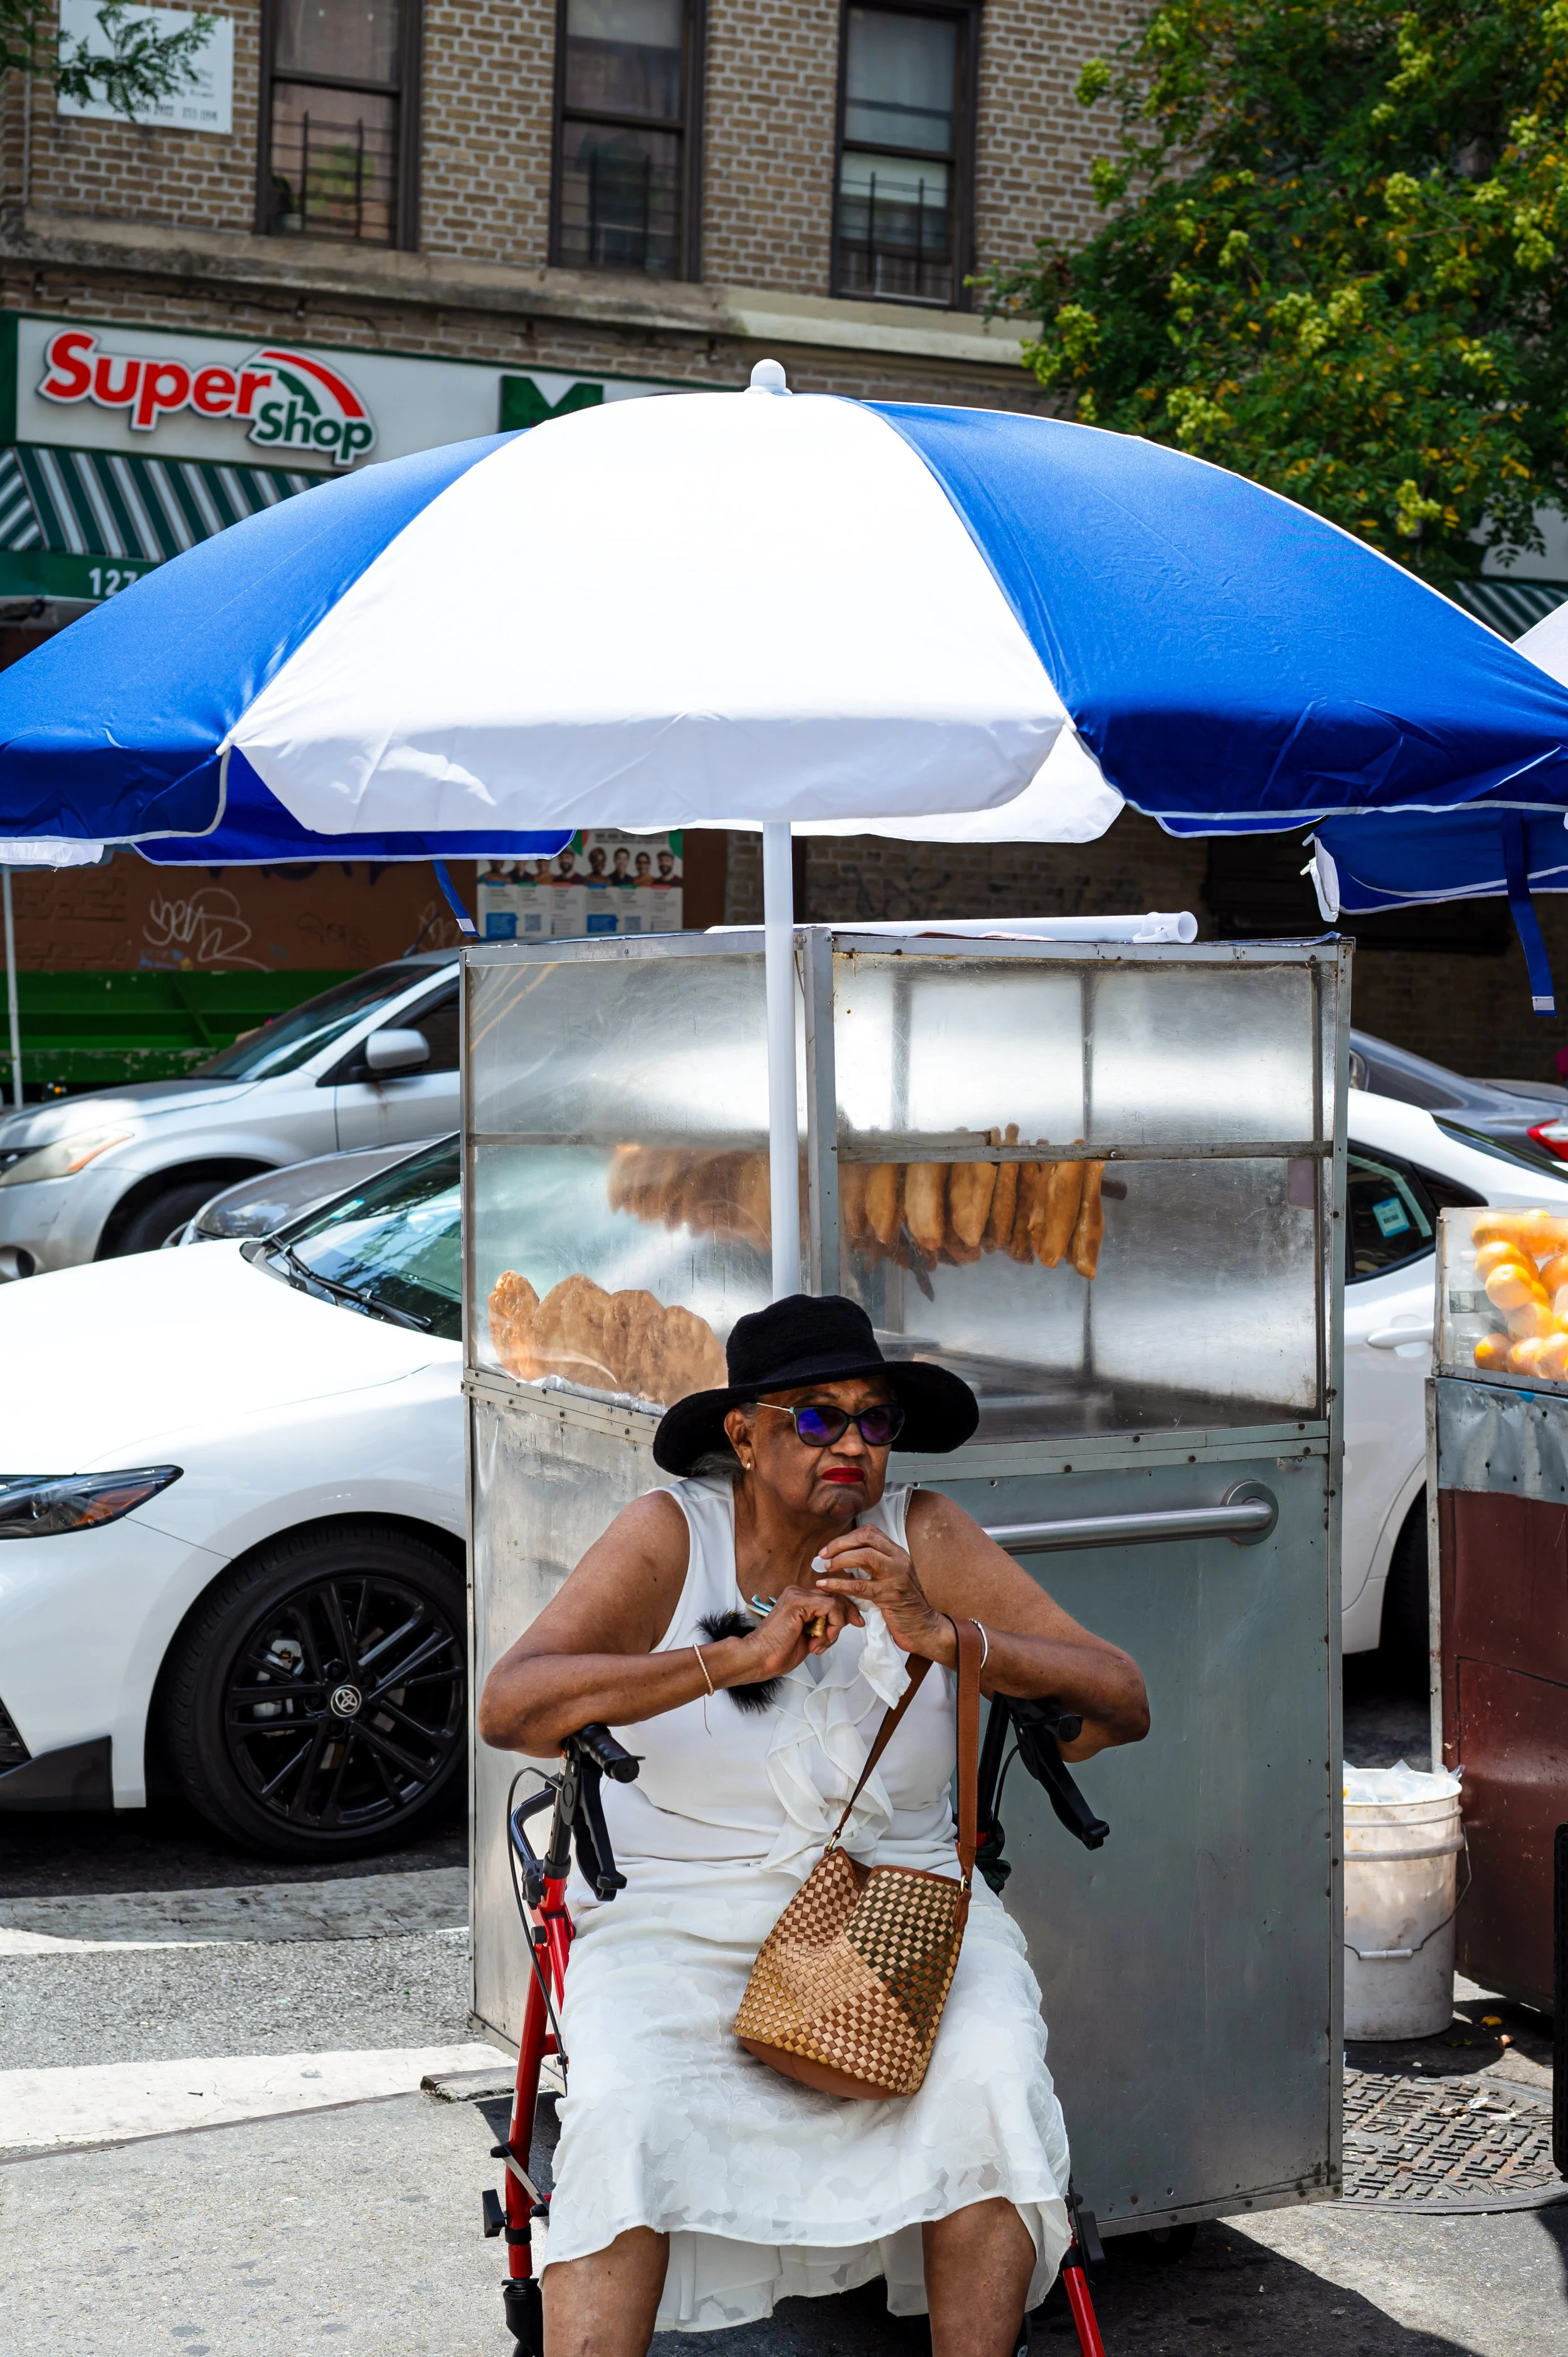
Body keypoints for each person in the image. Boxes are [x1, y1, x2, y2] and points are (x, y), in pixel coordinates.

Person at [480, 1294, 1148, 2357]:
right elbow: (512, 1708)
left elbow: (1120, 1697)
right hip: (679, 1915)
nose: (851, 1442)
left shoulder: (923, 1535)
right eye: (816, 1417)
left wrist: (946, 1632)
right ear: (742, 1437)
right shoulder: (673, 1533)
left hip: (900, 1912)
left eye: (874, 1420)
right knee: (632, 2113)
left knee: (991, 2079)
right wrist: (736, 1659)